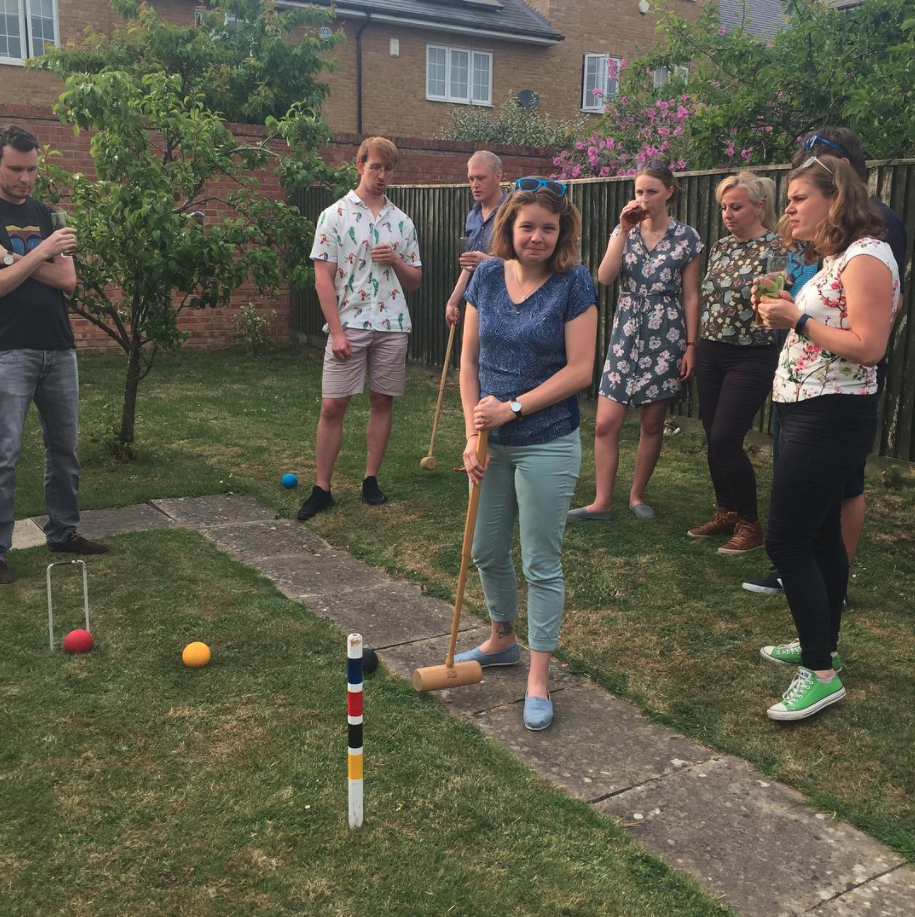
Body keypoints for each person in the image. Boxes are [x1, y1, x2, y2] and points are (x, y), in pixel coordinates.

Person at [756, 154, 900, 721]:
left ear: (834, 198)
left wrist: (795, 319)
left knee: (785, 539)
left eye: (797, 198)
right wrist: (784, 313)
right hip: (804, 405)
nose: (788, 208)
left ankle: (819, 672)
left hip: (833, 412)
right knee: (818, 536)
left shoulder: (867, 257)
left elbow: (869, 345)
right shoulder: (836, 258)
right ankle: (823, 641)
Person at [453, 177, 597, 731]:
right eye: (527, 226)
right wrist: (472, 433)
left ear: (561, 233)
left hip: (547, 441)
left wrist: (513, 408)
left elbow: (580, 370)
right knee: (486, 549)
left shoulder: (573, 283)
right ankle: (501, 639)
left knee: (540, 562)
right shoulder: (486, 276)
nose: (537, 236)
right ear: (509, 227)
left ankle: (538, 678)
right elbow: (469, 363)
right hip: (490, 441)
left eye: (548, 228)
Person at [743, 127, 908, 595]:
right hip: (804, 383)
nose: (790, 206)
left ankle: (825, 586)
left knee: (841, 491)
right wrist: (785, 301)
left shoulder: (876, 232)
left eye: (803, 189)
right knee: (808, 510)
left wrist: (797, 320)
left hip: (839, 391)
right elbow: (827, 293)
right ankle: (815, 585)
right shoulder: (832, 237)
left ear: (843, 175)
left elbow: (874, 316)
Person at [0, 125, 110, 586]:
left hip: (58, 348)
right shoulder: (45, 228)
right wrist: (43, 252)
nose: (25, 178)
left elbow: (69, 281)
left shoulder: (49, 212)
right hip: (8, 350)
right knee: (5, 453)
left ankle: (63, 531)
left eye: (31, 169)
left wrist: (13, 259)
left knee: (64, 448)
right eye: (15, 168)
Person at [568, 161, 702, 522]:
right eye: (639, 191)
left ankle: (637, 495)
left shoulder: (687, 238)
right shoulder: (622, 230)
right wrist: (623, 231)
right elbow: (605, 277)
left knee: (651, 423)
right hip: (626, 331)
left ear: (669, 193)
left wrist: (691, 344)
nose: (643, 198)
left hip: (667, 332)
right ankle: (601, 502)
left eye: (651, 192)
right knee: (605, 422)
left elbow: (691, 295)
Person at [299, 137, 422, 520]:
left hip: (391, 324)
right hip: (349, 323)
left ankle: (371, 480)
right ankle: (322, 488)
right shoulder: (333, 215)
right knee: (333, 404)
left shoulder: (402, 221)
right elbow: (323, 279)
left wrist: (397, 261)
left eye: (388, 169)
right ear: (360, 165)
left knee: (382, 400)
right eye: (375, 167)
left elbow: (415, 281)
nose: (382, 175)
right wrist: (335, 332)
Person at [687, 173, 782, 555]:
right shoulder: (722, 246)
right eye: (724, 207)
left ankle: (750, 524)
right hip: (712, 351)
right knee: (714, 437)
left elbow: (773, 307)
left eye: (736, 207)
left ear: (759, 207)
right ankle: (726, 510)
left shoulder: (775, 246)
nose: (727, 214)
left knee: (727, 439)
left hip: (752, 353)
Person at [444, 151, 506, 327]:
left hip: (506, 303)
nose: (474, 185)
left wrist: (489, 262)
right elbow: (469, 264)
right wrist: (452, 301)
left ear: (497, 177)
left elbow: (525, 262)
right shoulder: (473, 215)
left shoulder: (512, 213)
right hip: (477, 302)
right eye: (471, 179)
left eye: (480, 178)